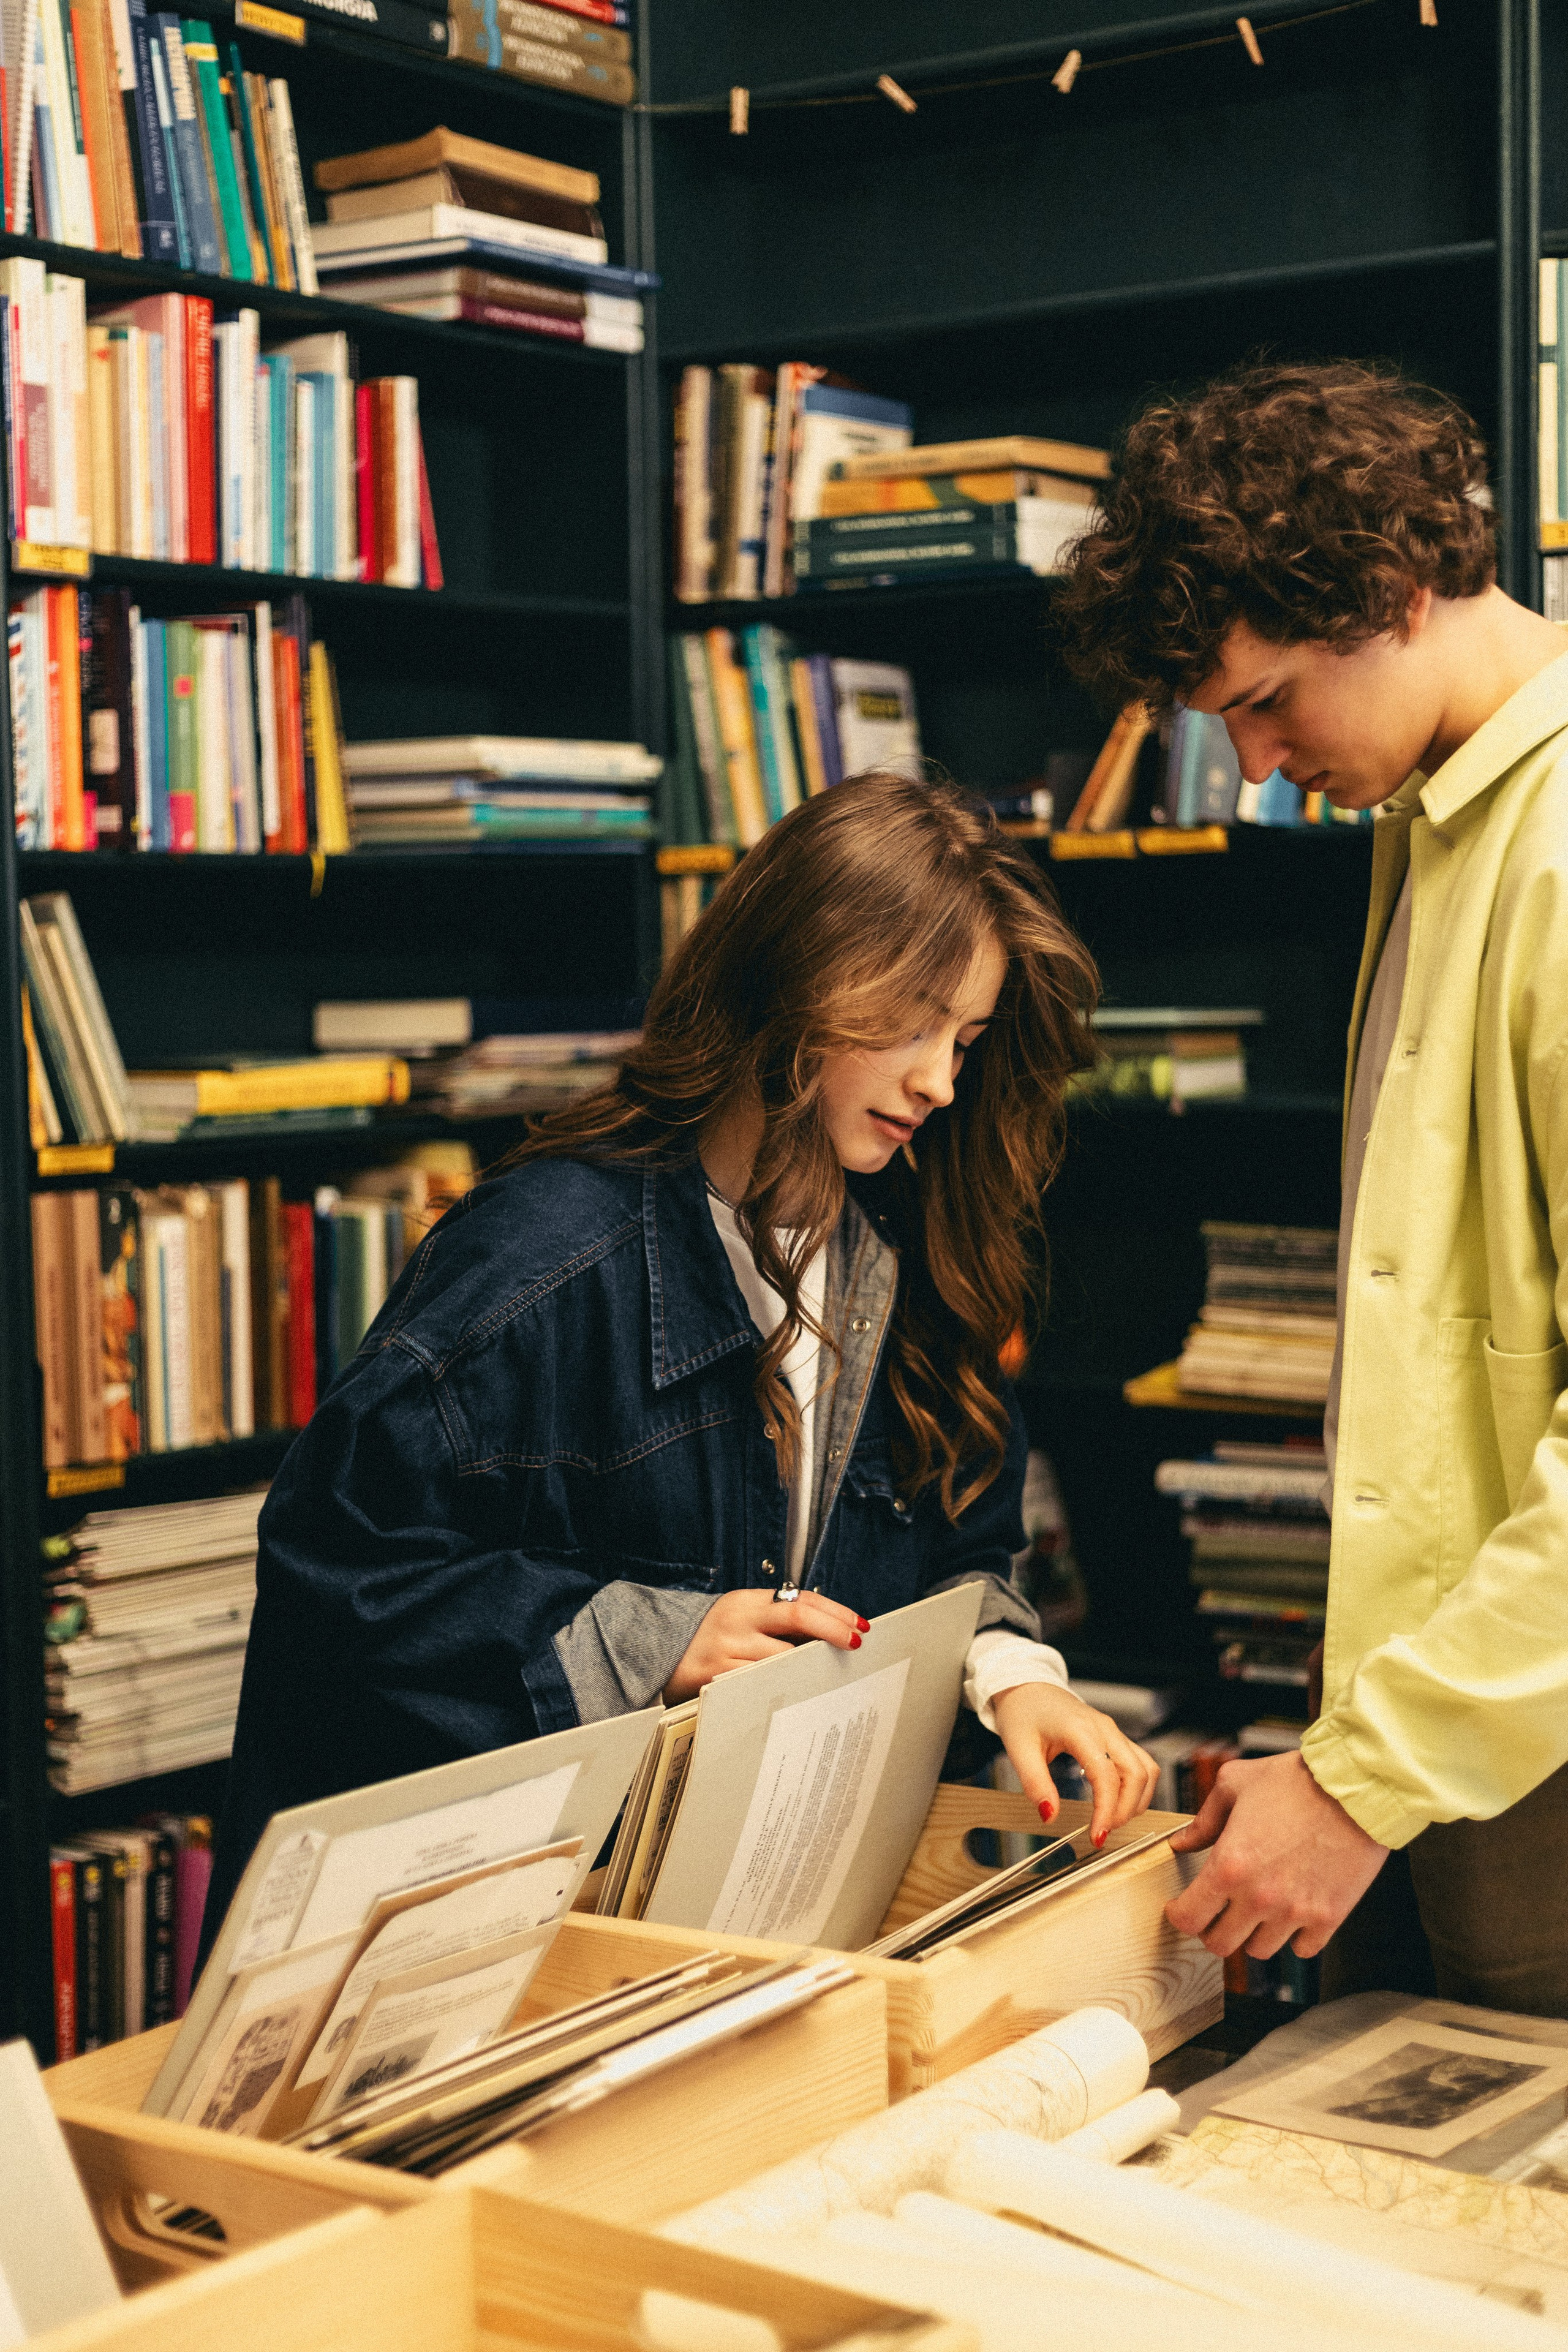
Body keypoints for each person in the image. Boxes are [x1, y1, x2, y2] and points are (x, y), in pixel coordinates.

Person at [205, 774, 1161, 1942]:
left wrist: (1014, 1672)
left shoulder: (910, 1251)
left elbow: (962, 1537)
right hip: (519, 1944)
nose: (940, 1080)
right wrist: (646, 1637)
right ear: (795, 975)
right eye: (910, 1022)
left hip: (752, 1936)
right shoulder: (540, 1259)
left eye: (964, 1039)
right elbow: (333, 1583)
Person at [1057, 360, 1568, 2011]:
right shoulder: (1438, 820)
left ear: (1398, 595)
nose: (1262, 763)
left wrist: (1364, 1772)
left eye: (1268, 701)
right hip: (1452, 1721)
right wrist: (1357, 1748)